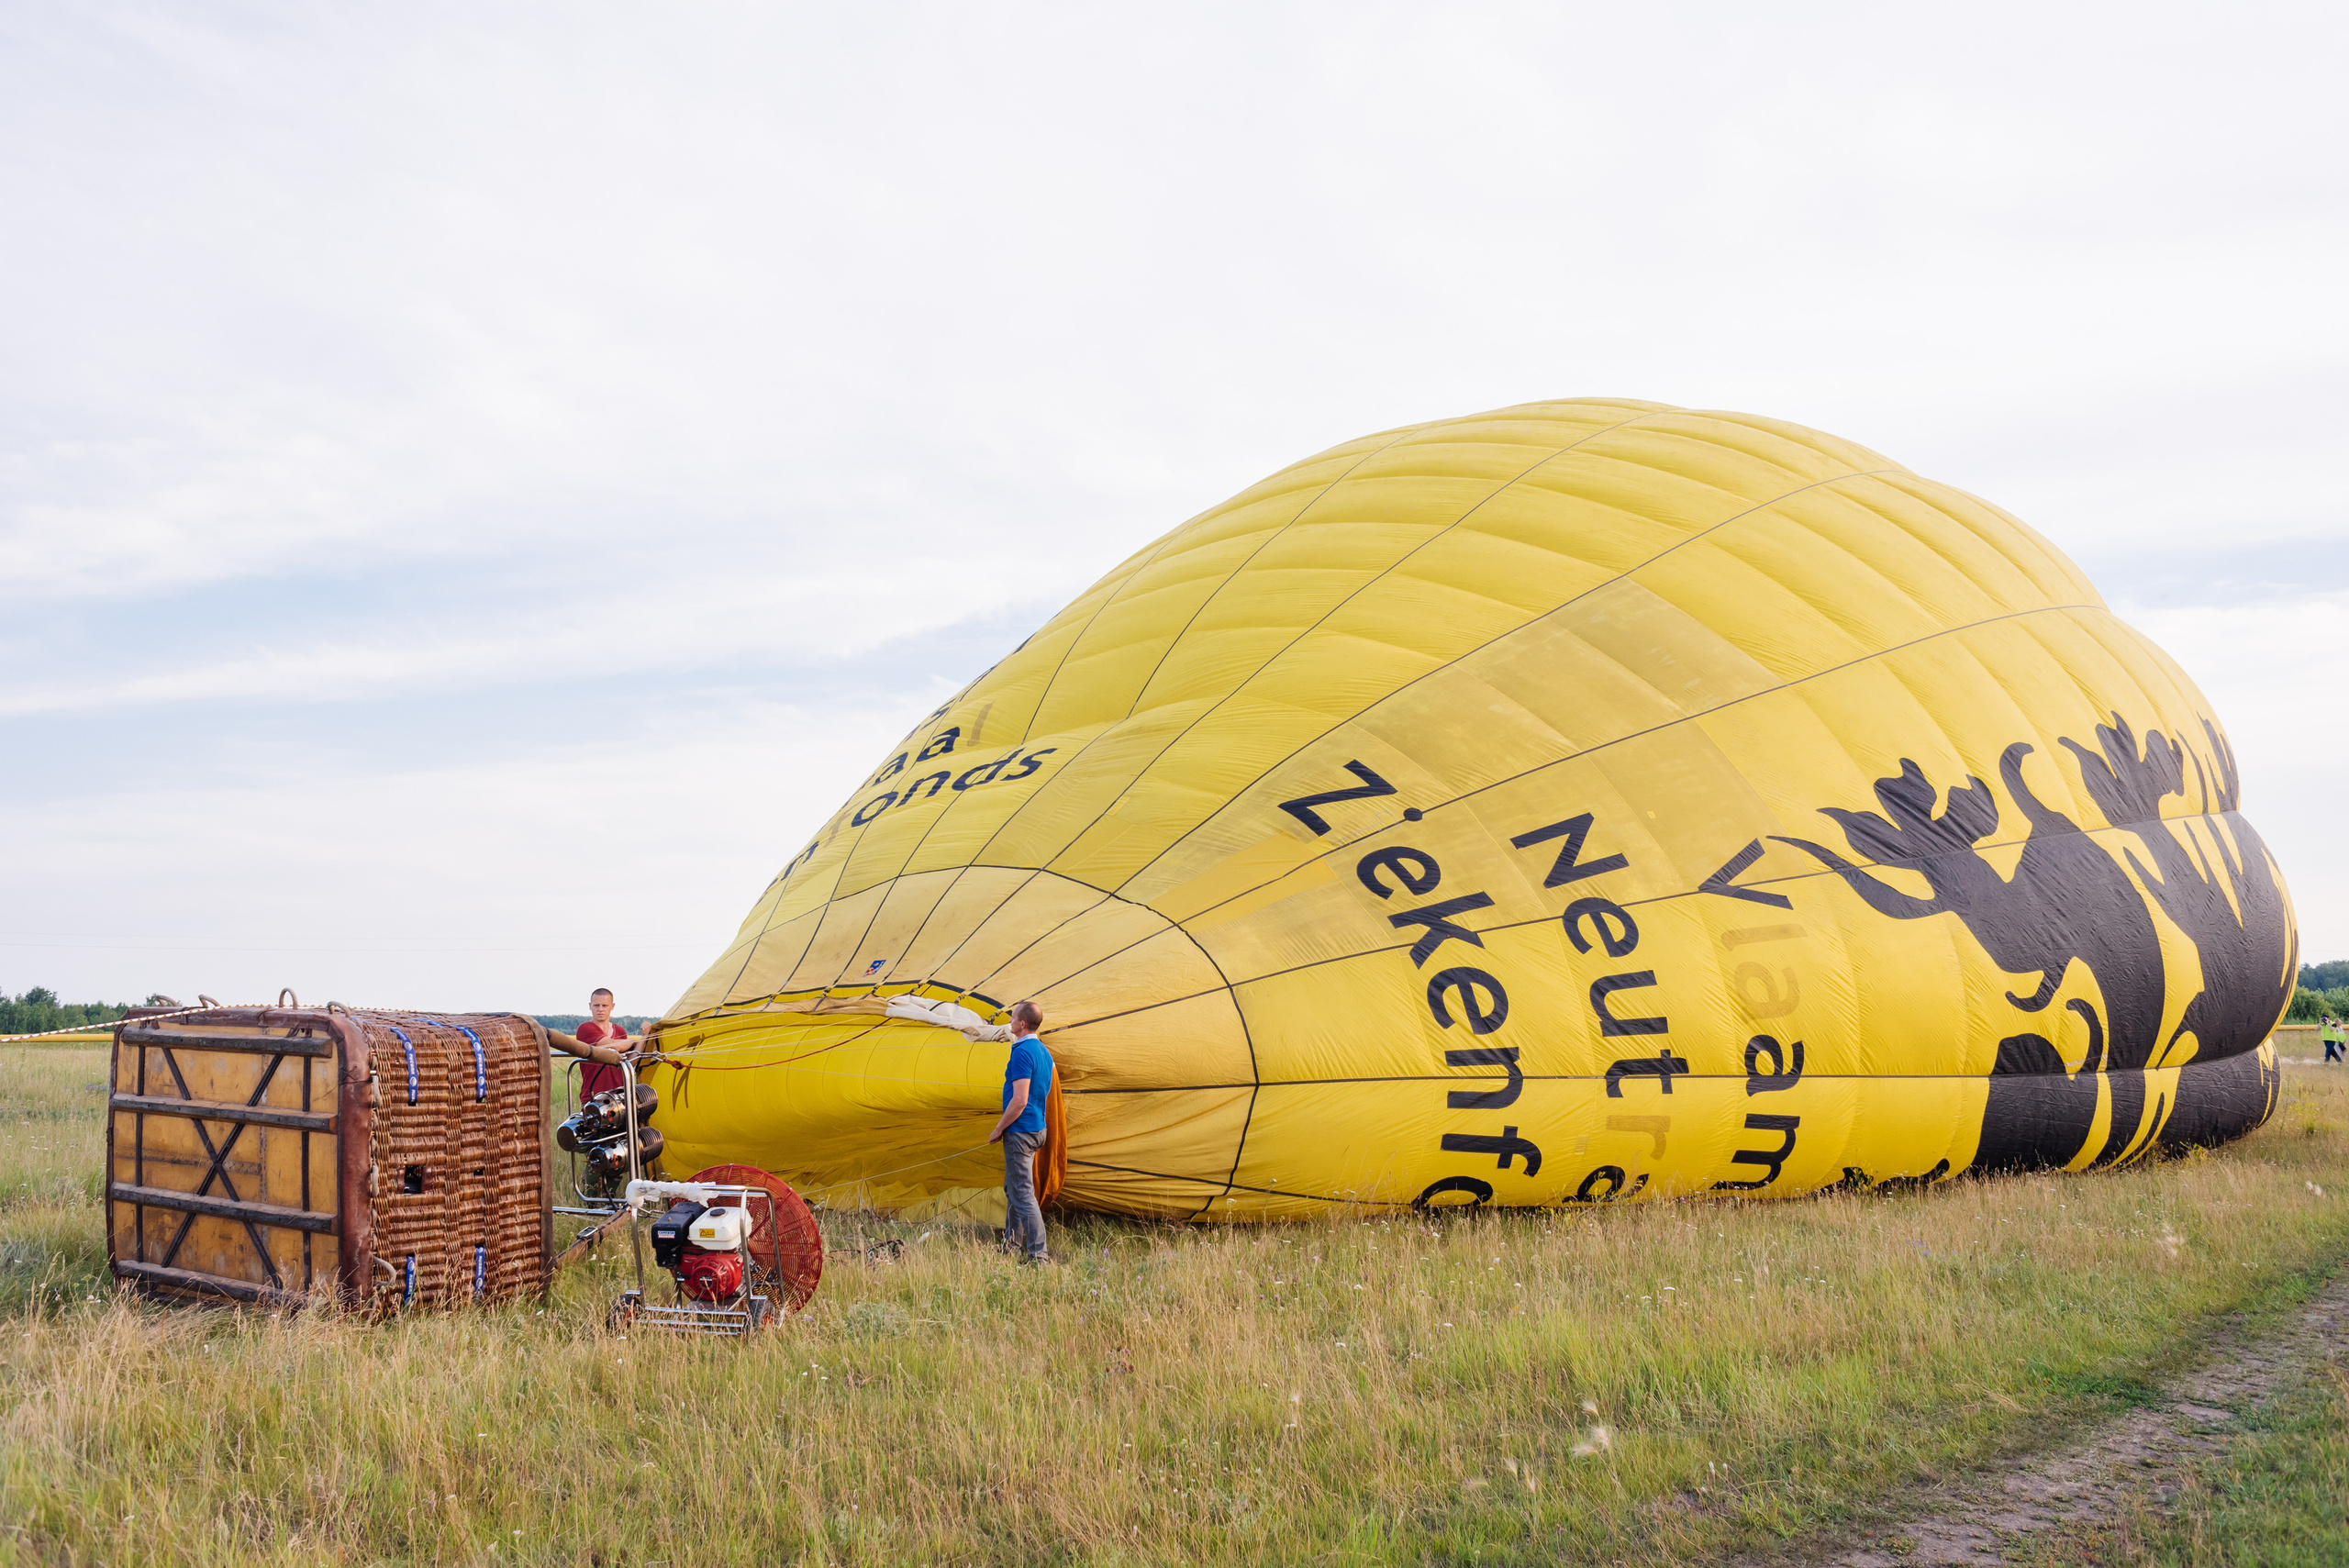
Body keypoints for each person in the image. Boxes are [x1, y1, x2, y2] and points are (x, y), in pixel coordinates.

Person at [987, 999, 1054, 1264]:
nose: (1010, 1021)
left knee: (1023, 1194)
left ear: (1022, 1024)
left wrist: (998, 1128)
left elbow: (1020, 1100)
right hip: (1038, 1128)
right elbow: (1045, 1090)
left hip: (1021, 1131)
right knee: (1014, 1188)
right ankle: (1010, 1246)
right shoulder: (1043, 1052)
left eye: (1013, 1017)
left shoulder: (1022, 1052)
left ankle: (1039, 1257)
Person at [574, 988, 635, 1100]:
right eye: (596, 1005)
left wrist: (645, 1037)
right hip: (594, 1097)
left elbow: (630, 1062)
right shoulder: (585, 1028)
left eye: (605, 1005)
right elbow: (613, 1045)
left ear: (612, 1006)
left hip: (619, 1096)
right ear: (590, 1006)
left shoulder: (620, 1031)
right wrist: (632, 1041)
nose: (600, 1009)